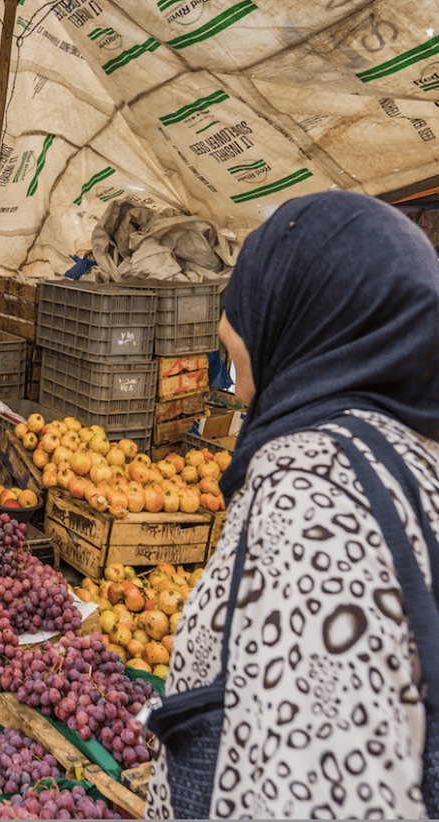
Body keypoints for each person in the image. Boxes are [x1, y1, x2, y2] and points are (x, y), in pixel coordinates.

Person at [144, 190, 439, 819]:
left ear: (305, 314)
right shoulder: (402, 455)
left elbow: (325, 787)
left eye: (246, 305)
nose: (226, 331)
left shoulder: (312, 496)